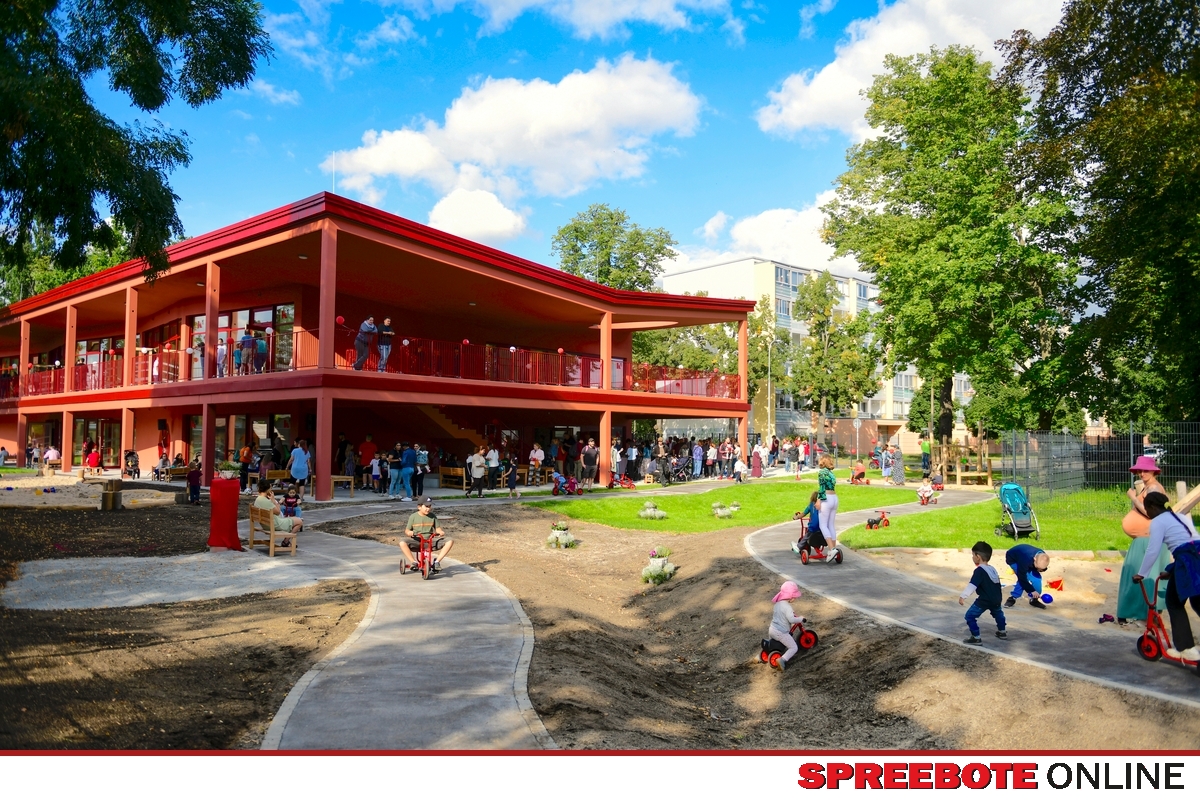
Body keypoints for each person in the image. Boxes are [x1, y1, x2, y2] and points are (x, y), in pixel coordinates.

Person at [1134, 492, 1200, 660]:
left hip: (1187, 562)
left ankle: (1186, 649)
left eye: (1147, 508)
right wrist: (1171, 570)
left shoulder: (1157, 522)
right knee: (1197, 601)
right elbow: (1189, 544)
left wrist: (1141, 573)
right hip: (1195, 557)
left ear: (1152, 507)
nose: (1147, 513)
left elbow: (1153, 550)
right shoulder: (1180, 516)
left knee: (1174, 602)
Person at [1118, 455, 1171, 622]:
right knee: (1141, 575)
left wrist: (1133, 498)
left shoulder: (1153, 488)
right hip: (1144, 538)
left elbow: (1150, 512)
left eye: (1145, 470)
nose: (1142, 473)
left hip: (1148, 539)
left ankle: (1142, 612)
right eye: (1140, 470)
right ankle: (1142, 612)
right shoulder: (1148, 487)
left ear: (1153, 471)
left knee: (1139, 574)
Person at [959, 541, 1006, 644]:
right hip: (997, 598)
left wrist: (963, 596)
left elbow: (972, 585)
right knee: (998, 614)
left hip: (984, 600)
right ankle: (1002, 631)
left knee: (970, 616)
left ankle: (976, 637)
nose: (972, 557)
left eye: (973, 555)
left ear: (978, 557)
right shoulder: (992, 569)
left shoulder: (979, 571)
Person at [399, 497, 454, 571]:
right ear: (419, 507)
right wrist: (409, 533)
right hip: (417, 541)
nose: (428, 509)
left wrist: (440, 532)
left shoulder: (433, 516)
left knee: (450, 540)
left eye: (430, 506)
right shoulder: (413, 517)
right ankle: (413, 562)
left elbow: (437, 528)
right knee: (402, 542)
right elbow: (407, 530)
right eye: (426, 506)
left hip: (430, 540)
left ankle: (437, 562)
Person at [766, 581, 805, 672]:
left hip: (772, 629)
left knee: (772, 645)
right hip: (781, 633)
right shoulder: (788, 607)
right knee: (794, 647)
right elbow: (792, 620)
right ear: (791, 596)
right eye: (795, 597)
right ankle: (782, 660)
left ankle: (764, 655)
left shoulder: (777, 604)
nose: (795, 598)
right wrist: (800, 619)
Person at [253, 479, 302, 543]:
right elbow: (278, 512)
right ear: (268, 489)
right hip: (274, 525)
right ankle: (286, 541)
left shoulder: (258, 499)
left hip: (265, 524)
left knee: (292, 518)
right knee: (299, 521)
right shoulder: (266, 501)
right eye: (270, 488)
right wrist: (273, 500)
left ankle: (286, 540)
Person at [1004, 544, 1050, 608]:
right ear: (1034, 559)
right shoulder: (1026, 559)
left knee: (1037, 579)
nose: (1038, 570)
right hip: (1013, 559)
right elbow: (1022, 577)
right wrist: (1031, 590)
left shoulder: (1043, 557)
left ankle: (1034, 600)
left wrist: (1040, 569)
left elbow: (1040, 567)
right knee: (1023, 579)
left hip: (1026, 559)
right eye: (1037, 567)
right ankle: (1012, 598)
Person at [816, 455, 839, 553]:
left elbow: (822, 487)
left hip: (827, 498)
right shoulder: (831, 473)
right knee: (831, 525)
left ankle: (831, 549)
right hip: (834, 498)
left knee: (823, 525)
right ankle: (834, 549)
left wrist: (818, 500)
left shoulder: (822, 472)